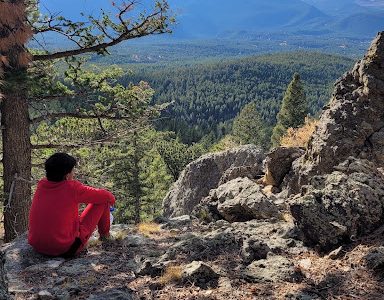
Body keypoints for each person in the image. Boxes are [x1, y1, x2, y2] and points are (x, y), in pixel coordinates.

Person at [28, 152, 115, 258]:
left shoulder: (42, 185)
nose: (74, 173)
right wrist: (112, 199)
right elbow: (106, 196)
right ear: (67, 175)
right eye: (73, 170)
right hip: (66, 249)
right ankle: (105, 235)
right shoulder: (72, 188)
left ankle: (103, 235)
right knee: (103, 201)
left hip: (38, 246)